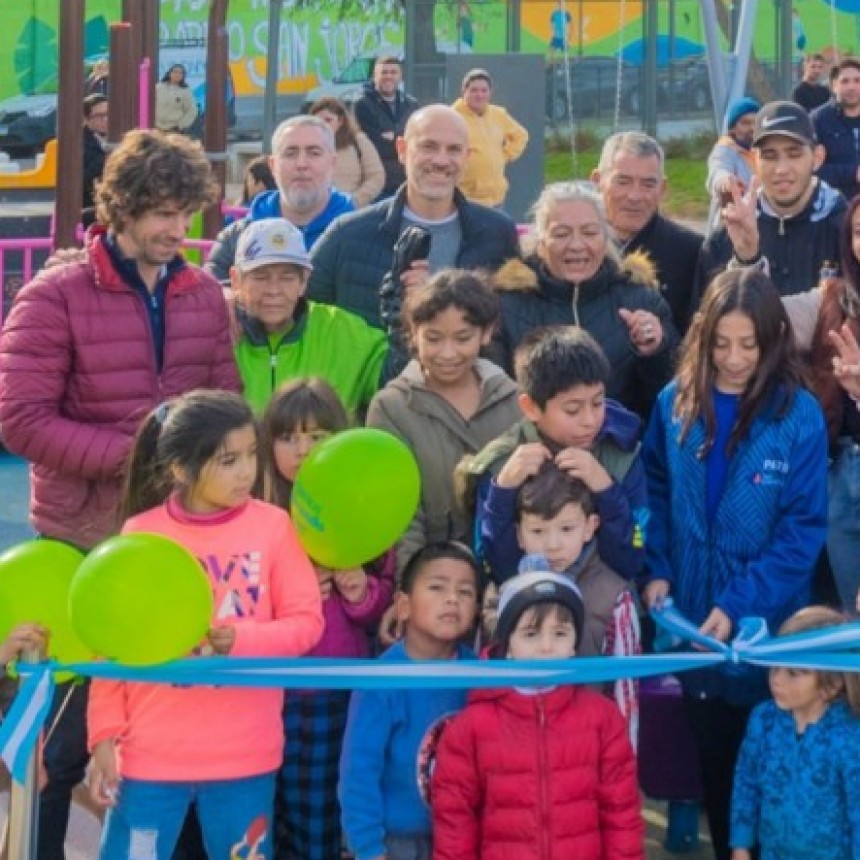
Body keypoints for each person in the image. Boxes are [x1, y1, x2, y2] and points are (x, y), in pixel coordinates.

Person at [0, 128, 240, 860]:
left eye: (186, 213)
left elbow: (224, 404)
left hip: (178, 552)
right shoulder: (55, 294)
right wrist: (137, 461)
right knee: (57, 751)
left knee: (180, 744)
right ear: (121, 208)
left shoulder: (205, 295)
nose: (176, 229)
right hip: (79, 547)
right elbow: (19, 417)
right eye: (161, 212)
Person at [87, 390, 323, 859]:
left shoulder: (274, 527)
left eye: (251, 455)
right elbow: (109, 647)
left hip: (244, 755)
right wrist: (102, 737)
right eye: (228, 460)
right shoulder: (142, 534)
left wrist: (240, 639)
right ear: (180, 469)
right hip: (148, 756)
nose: (246, 472)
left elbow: (306, 624)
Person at [642, 267, 828, 860]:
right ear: (702, 336)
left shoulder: (798, 417)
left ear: (772, 339)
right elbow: (654, 492)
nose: (734, 358)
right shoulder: (674, 402)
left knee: (768, 781)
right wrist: (659, 568)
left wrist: (737, 603)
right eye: (720, 342)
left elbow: (801, 532)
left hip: (764, 639)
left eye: (749, 344)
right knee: (718, 775)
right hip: (694, 629)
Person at [260, 378, 395, 860]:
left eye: (316, 437)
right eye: (288, 437)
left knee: (319, 816)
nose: (301, 450)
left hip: (334, 688)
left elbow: (383, 605)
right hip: (268, 690)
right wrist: (284, 598)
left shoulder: (360, 507)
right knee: (264, 816)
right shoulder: (260, 514)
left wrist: (359, 591)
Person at [431, 566, 644, 860]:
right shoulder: (470, 728)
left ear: (573, 645)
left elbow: (621, 815)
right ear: (507, 646)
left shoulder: (603, 720)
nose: (546, 647)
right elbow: (455, 824)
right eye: (530, 634)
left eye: (560, 633)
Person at [462, 325, 649, 583]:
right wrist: (503, 492)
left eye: (597, 403)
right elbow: (495, 570)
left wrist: (606, 489)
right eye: (572, 410)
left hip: (608, 613)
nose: (589, 420)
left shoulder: (622, 453)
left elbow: (632, 559)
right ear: (530, 407)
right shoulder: (502, 465)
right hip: (529, 616)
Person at [308, 105, 520, 330]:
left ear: (467, 156)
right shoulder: (348, 234)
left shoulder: (498, 233)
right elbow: (300, 312)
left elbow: (513, 325)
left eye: (454, 150)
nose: (441, 160)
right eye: (429, 147)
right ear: (402, 149)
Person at [366, 269, 521, 573]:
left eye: (463, 338)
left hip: (506, 570)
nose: (448, 353)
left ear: (486, 332)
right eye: (433, 339)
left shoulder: (514, 400)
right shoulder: (393, 407)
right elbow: (399, 513)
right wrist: (411, 586)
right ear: (414, 333)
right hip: (429, 575)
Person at [338, 541, 479, 860]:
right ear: (403, 606)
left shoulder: (480, 677)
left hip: (464, 836)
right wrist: (369, 849)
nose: (452, 599)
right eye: (437, 588)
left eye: (466, 592)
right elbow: (358, 774)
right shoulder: (379, 683)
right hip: (395, 842)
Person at [490, 181, 678, 420]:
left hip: (619, 450)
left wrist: (655, 352)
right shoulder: (508, 306)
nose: (577, 245)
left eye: (589, 233)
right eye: (561, 234)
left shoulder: (642, 299)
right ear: (540, 243)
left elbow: (673, 402)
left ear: (606, 238)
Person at [481, 465, 641, 735]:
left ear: (590, 527)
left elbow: (625, 693)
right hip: (513, 745)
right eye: (538, 531)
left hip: (587, 744)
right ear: (519, 534)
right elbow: (486, 680)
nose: (553, 545)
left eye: (566, 529)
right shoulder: (502, 592)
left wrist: (619, 760)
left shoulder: (615, 595)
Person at [781, 193, 860, 610]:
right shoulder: (832, 298)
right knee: (850, 618)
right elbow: (761, 317)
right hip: (839, 473)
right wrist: (745, 255)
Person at [730, 606, 860, 860]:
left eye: (793, 673)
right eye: (774, 666)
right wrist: (741, 843)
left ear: (831, 685)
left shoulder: (849, 739)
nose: (777, 680)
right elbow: (746, 783)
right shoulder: (763, 720)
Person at [229, 218, 387, 417]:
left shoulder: (344, 331)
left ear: (304, 281)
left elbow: (397, 379)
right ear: (236, 280)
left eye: (287, 277)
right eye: (260, 277)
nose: (274, 290)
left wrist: (407, 319)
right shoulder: (216, 332)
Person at [696, 100, 846, 304]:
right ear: (755, 159)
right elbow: (703, 322)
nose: (781, 169)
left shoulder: (846, 229)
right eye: (769, 156)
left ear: (817, 157)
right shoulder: (726, 237)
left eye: (794, 154)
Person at [206, 115, 354, 281]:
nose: (301, 164)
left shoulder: (361, 238)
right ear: (273, 166)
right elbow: (208, 296)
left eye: (314, 153)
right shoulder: (236, 238)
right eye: (290, 154)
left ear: (333, 163)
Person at [591, 131, 703, 335]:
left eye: (648, 184)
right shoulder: (573, 248)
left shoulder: (691, 252)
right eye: (623, 182)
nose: (635, 196)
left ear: (663, 188)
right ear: (597, 181)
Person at [451, 68, 528, 209]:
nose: (479, 95)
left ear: (490, 93)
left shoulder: (498, 114)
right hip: (466, 199)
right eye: (474, 90)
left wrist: (505, 156)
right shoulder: (452, 117)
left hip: (496, 198)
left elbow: (521, 135)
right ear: (464, 92)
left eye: (484, 90)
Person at [353, 56, 419, 199]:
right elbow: (374, 147)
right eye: (384, 72)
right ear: (374, 76)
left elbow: (417, 142)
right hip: (380, 187)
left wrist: (393, 136)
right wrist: (402, 138)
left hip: (408, 183)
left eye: (393, 72)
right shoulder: (362, 105)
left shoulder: (411, 104)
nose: (388, 76)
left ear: (400, 76)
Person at [309, 96, 385, 208]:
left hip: (353, 212)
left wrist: (354, 201)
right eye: (318, 121)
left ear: (340, 121)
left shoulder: (358, 142)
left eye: (328, 120)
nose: (323, 125)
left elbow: (376, 176)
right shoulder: (306, 147)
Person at [811, 56, 860, 203]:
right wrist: (853, 173)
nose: (852, 87)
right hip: (834, 207)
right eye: (844, 81)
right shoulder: (818, 120)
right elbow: (812, 171)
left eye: (857, 81)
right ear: (833, 85)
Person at [706, 97, 760, 229]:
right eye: (745, 123)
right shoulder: (725, 149)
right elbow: (717, 171)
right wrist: (726, 182)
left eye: (756, 122)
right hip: (732, 226)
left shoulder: (761, 149)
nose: (752, 128)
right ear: (733, 128)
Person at [82, 93, 108, 213]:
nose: (106, 119)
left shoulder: (120, 137)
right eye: (99, 116)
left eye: (108, 114)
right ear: (86, 120)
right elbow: (84, 178)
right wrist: (106, 155)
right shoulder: (80, 142)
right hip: (89, 205)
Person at [155, 63, 198, 134]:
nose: (177, 74)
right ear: (169, 73)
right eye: (175, 72)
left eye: (180, 73)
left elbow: (192, 111)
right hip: (156, 128)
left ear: (183, 76)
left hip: (175, 130)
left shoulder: (186, 91)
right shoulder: (158, 87)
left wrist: (181, 125)